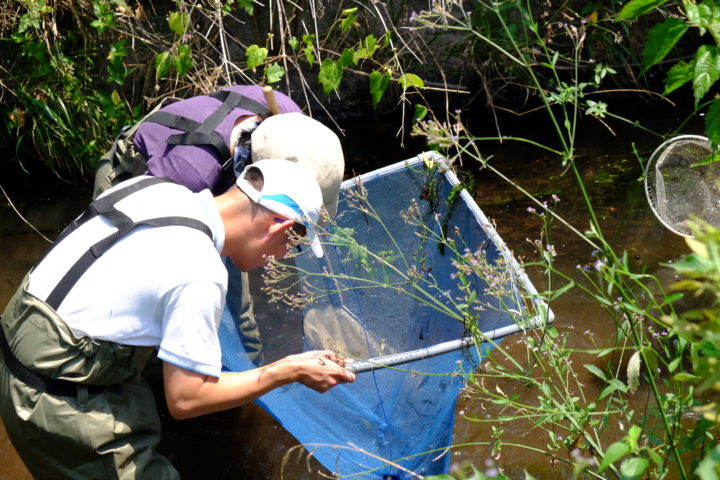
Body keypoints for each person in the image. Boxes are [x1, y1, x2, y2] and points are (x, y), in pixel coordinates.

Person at [0, 159, 356, 479]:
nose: (281, 258)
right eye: (290, 247)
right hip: (49, 394)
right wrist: (287, 370)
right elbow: (186, 401)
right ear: (280, 228)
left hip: (16, 337)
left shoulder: (156, 187)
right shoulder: (200, 270)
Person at [93, 84, 345, 365]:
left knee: (239, 286)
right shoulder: (187, 174)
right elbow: (159, 252)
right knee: (161, 301)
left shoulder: (286, 120)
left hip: (224, 188)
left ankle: (247, 365)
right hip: (136, 178)